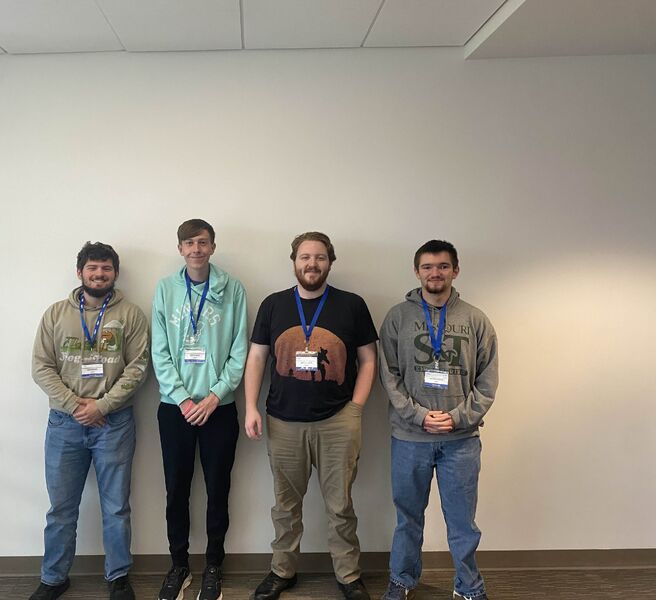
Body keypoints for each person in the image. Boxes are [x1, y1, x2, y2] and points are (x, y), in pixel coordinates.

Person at [244, 232, 378, 600]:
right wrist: (251, 406)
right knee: (285, 506)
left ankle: (349, 576)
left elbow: (368, 359)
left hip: (338, 422)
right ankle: (282, 571)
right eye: (305, 257)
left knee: (340, 505)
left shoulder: (351, 305)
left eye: (319, 257)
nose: (312, 264)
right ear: (294, 262)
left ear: (330, 262)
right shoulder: (273, 305)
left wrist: (356, 409)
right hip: (283, 422)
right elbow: (257, 357)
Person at [378, 240, 498, 600]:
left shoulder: (475, 320)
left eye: (443, 266)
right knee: (408, 518)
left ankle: (469, 587)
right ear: (417, 271)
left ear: (455, 271)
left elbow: (487, 382)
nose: (435, 273)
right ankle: (402, 579)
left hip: (460, 441)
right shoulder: (397, 317)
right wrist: (418, 416)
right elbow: (389, 376)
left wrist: (458, 418)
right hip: (409, 438)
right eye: (428, 267)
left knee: (462, 522)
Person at [30, 241, 150, 600]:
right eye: (93, 268)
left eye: (106, 268)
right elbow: (41, 367)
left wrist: (103, 407)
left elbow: (138, 368)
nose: (99, 274)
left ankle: (118, 577)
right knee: (61, 508)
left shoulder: (131, 315)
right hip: (64, 424)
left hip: (114, 424)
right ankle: (54, 578)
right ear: (80, 272)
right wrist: (75, 405)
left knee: (116, 507)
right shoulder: (55, 314)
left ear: (115, 273)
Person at [151, 219, 248, 600]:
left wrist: (214, 396)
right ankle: (179, 565)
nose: (196, 249)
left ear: (212, 247)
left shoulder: (233, 288)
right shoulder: (165, 289)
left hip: (218, 408)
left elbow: (240, 350)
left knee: (218, 489)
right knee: (176, 489)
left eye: (203, 242)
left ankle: (213, 566)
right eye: (189, 243)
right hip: (175, 408)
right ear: (180, 249)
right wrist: (183, 398)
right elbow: (159, 351)